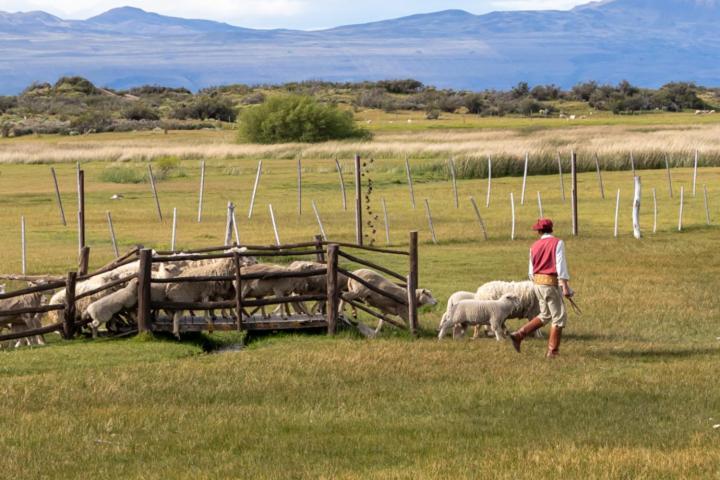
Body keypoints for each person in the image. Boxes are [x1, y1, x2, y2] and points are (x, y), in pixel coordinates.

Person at [510, 218, 573, 358]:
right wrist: (565, 286)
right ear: (552, 229)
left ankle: (519, 334)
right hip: (550, 284)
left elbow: (531, 271)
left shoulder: (534, 246)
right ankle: (552, 352)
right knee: (559, 318)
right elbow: (560, 265)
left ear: (539, 231)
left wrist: (538, 283)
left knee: (545, 315)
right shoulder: (558, 243)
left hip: (537, 284)